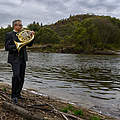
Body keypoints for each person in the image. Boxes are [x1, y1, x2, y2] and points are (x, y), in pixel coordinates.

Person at [5, 20, 34, 104]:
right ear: (15, 26)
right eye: (20, 25)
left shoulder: (24, 34)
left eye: (21, 25)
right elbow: (7, 47)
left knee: (21, 77)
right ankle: (13, 96)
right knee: (16, 76)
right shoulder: (9, 34)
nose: (21, 27)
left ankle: (18, 94)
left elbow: (29, 45)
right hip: (14, 58)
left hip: (23, 58)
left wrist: (31, 36)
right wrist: (17, 45)